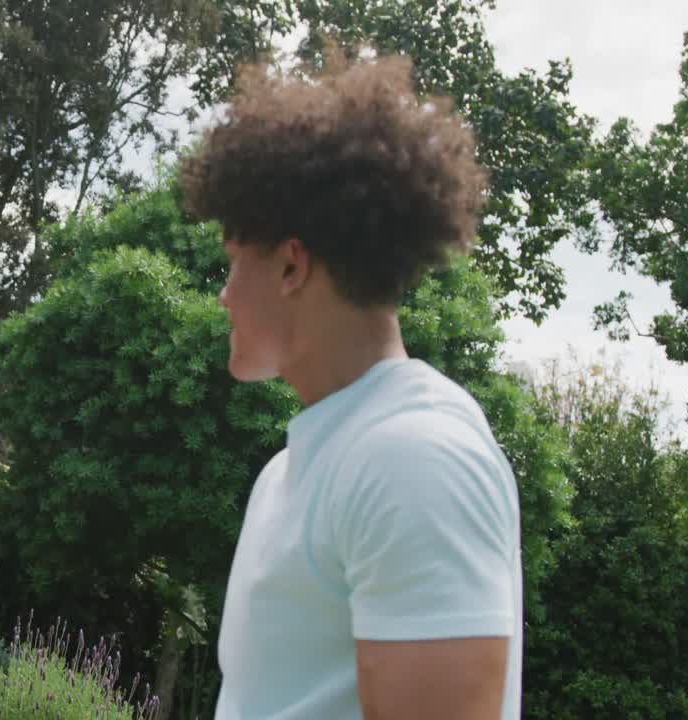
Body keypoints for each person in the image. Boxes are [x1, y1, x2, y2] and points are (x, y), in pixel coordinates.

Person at [180, 49, 521, 720]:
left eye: (231, 265)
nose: (221, 297)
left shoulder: (413, 458)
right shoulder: (291, 471)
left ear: (289, 267)